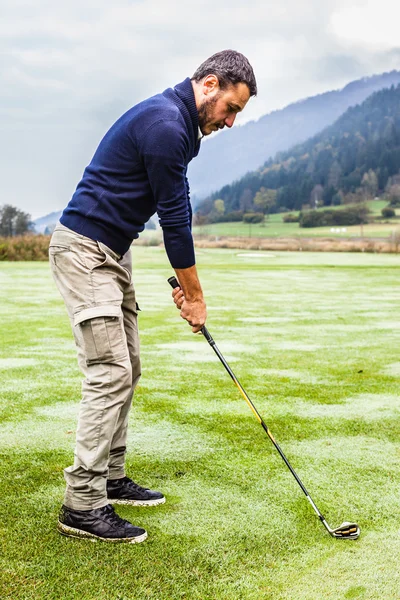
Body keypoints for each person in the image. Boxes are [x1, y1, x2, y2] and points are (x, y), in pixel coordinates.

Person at [49, 49, 257, 543]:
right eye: (231, 109)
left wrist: (189, 290)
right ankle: (82, 502)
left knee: (130, 366)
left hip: (112, 251)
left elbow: (175, 209)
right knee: (110, 372)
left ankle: (110, 477)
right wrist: (195, 296)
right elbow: (175, 223)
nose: (230, 122)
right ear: (209, 85)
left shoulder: (179, 125)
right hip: (84, 252)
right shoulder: (167, 126)